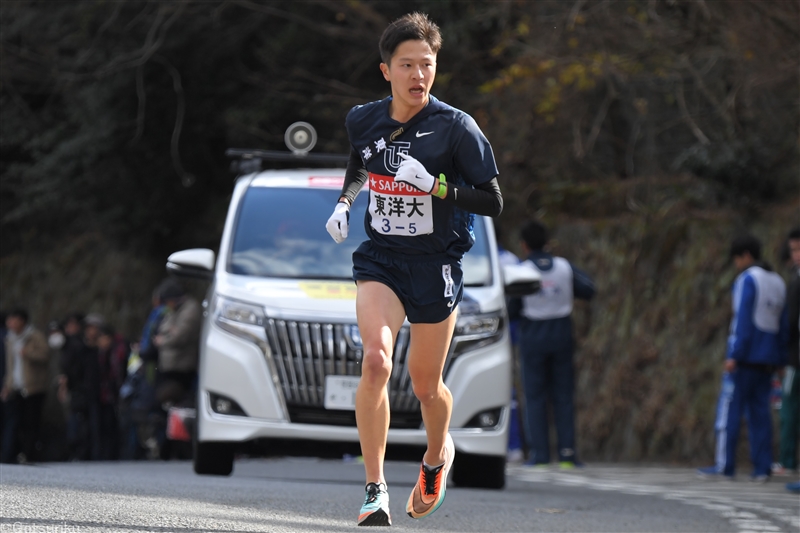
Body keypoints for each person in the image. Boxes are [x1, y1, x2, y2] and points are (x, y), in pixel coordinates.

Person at [324, 12, 503, 527]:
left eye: (427, 65)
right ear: (386, 71)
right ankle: (374, 490)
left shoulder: (457, 128)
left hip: (435, 264)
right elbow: (361, 159)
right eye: (407, 65)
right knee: (377, 361)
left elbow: (493, 201)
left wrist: (437, 188)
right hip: (381, 259)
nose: (418, 75)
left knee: (426, 386)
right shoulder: (364, 118)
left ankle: (433, 459)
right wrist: (346, 201)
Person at [697, 234, 788, 482]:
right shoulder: (778, 281)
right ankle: (762, 467)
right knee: (761, 414)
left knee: (730, 411)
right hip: (768, 359)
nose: (736, 263)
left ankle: (725, 465)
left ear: (746, 255)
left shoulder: (747, 279)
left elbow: (742, 321)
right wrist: (781, 358)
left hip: (746, 357)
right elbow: (784, 324)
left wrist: (733, 355)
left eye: (737, 259)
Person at [508, 220, 595, 469]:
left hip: (533, 335)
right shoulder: (564, 267)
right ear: (547, 243)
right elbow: (589, 288)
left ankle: (540, 455)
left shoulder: (522, 270)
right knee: (563, 395)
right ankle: (567, 453)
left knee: (535, 396)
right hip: (561, 333)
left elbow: (511, 308)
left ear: (524, 245)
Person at [1, 308, 50, 463]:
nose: (10, 323)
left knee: (32, 422)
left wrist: (27, 353)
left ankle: (29, 454)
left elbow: (45, 355)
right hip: (16, 385)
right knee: (18, 422)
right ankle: (18, 453)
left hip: (34, 386)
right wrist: (7, 385)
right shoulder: (10, 339)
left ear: (22, 321)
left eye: (13, 320)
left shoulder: (34, 336)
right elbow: (10, 365)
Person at [775, 228, 800, 477]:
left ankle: (788, 461)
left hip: (796, 359)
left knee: (790, 408)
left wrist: (782, 355)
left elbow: (790, 323)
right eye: (793, 249)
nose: (796, 255)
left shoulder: (796, 281)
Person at [57, 313, 94, 461]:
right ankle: (77, 451)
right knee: (76, 419)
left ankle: (80, 451)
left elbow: (71, 369)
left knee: (79, 420)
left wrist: (66, 382)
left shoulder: (78, 344)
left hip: (81, 387)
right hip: (75, 387)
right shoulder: (69, 344)